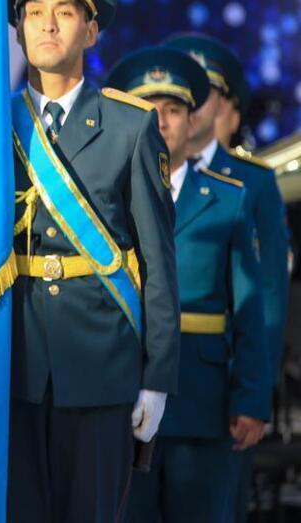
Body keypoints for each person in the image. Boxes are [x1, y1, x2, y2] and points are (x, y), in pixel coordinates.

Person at [4, 0, 180, 522]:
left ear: (91, 30)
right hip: (12, 366)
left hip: (103, 369)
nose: (47, 25)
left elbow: (157, 265)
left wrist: (156, 380)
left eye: (64, 11)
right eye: (33, 12)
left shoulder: (130, 126)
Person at [105, 46, 268, 522]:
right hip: (123, 394)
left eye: (173, 110)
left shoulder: (226, 200)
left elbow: (250, 310)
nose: (162, 122)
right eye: (149, 110)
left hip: (202, 401)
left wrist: (252, 399)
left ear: (193, 119)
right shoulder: (104, 202)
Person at [163, 32, 290, 520]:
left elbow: (267, 298)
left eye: (202, 92)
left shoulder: (250, 182)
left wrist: (252, 391)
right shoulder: (137, 173)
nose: (190, 104)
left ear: (226, 105)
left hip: (218, 388)